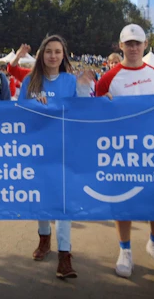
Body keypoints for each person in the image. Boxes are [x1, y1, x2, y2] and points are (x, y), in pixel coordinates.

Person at [95, 24, 154, 279]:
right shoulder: (108, 78)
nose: (133, 48)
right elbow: (97, 114)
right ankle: (125, 250)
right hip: (122, 149)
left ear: (145, 44)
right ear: (120, 46)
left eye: (137, 43)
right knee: (123, 202)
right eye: (128, 43)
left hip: (153, 148)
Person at [20, 34, 94, 279]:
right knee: (42, 199)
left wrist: (84, 89)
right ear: (42, 54)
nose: (53, 55)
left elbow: (82, 113)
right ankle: (44, 240)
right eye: (49, 51)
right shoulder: (30, 81)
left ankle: (65, 254)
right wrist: (34, 105)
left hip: (65, 150)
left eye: (58, 52)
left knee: (64, 202)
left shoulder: (70, 81)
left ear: (64, 56)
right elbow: (17, 114)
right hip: (37, 151)